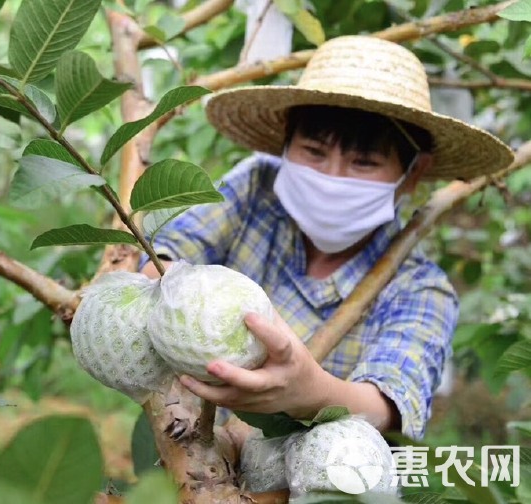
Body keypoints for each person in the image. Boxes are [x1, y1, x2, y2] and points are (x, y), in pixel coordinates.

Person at [140, 35, 513, 441]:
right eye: (314, 152)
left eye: (364, 162)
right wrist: (161, 280)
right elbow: (167, 251)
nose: (332, 177)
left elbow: (390, 405)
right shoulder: (256, 188)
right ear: (285, 144)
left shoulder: (419, 288)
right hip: (184, 436)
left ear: (414, 174)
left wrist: (309, 392)